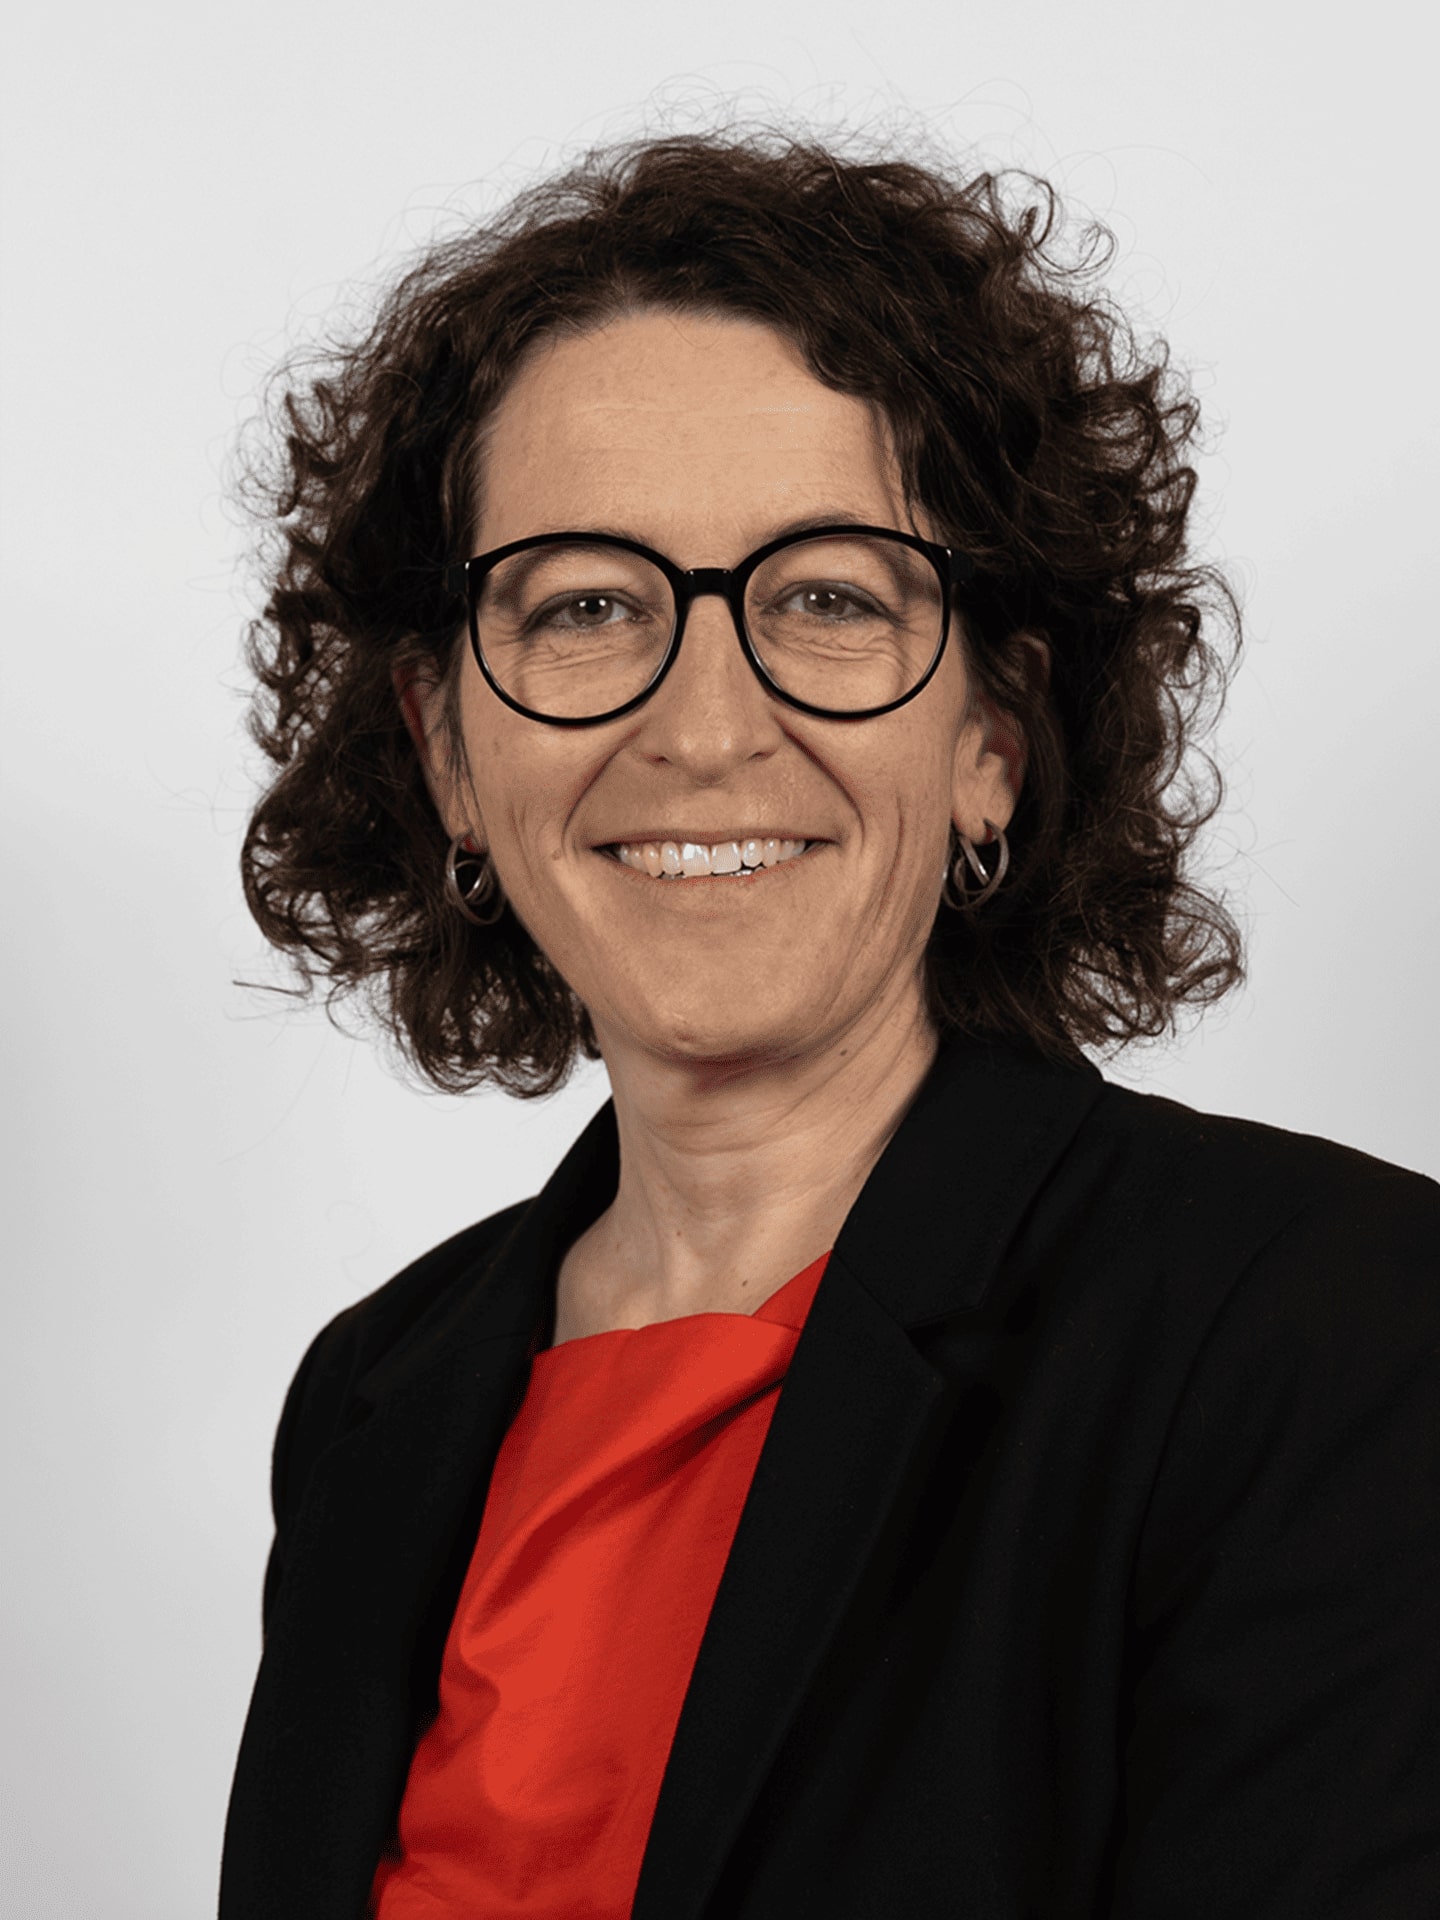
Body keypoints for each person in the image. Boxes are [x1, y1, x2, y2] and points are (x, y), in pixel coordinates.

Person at [218, 128, 1440, 1920]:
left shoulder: (1323, 1328)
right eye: (586, 605)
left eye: (826, 599)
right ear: (448, 751)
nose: (706, 728)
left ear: (992, 739)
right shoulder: (368, 1399)